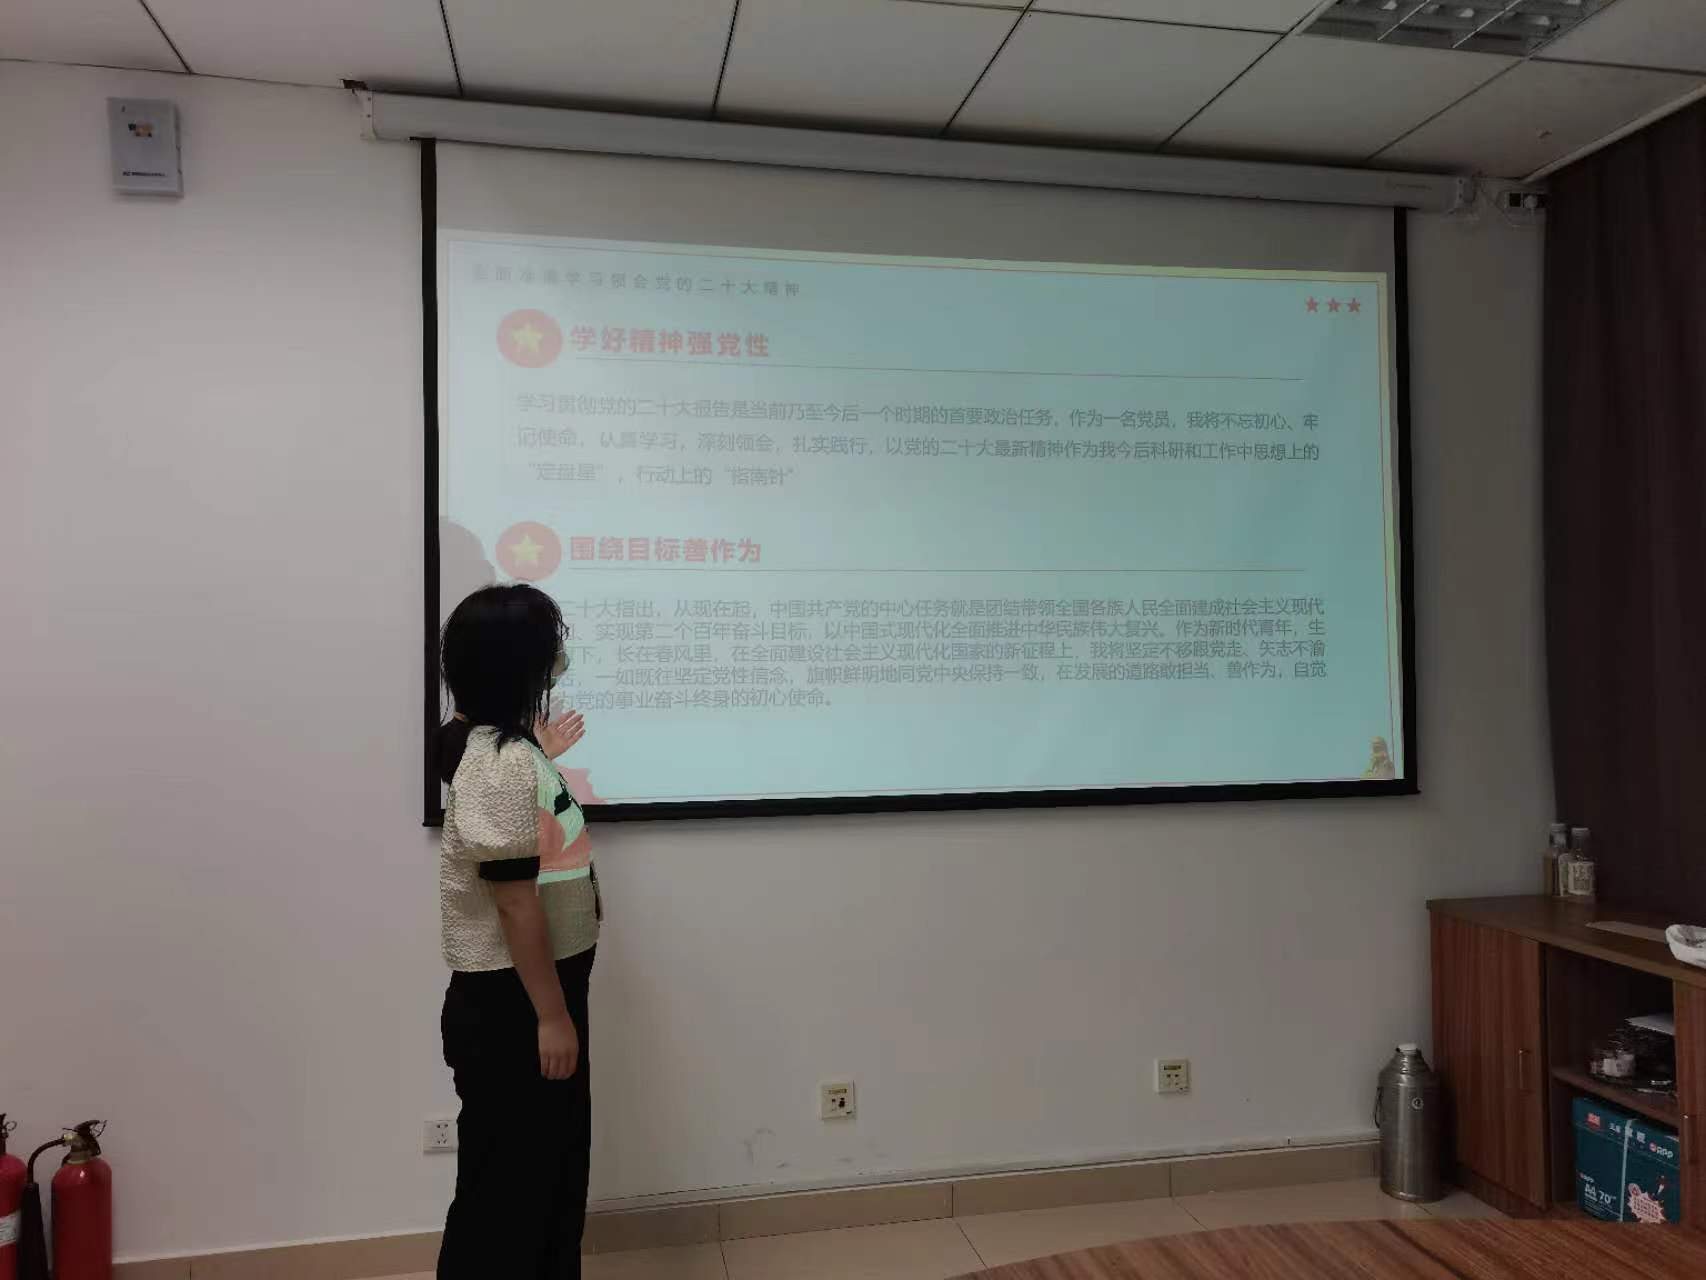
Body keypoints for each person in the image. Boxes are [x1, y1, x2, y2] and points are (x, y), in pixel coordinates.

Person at [435, 583, 599, 1279]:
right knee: (513, 1192)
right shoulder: (499, 762)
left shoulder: (488, 746)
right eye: (547, 649)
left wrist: (540, 752)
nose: (557, 661)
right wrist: (553, 1017)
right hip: (517, 1004)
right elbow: (515, 905)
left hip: (524, 996)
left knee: (539, 1178)